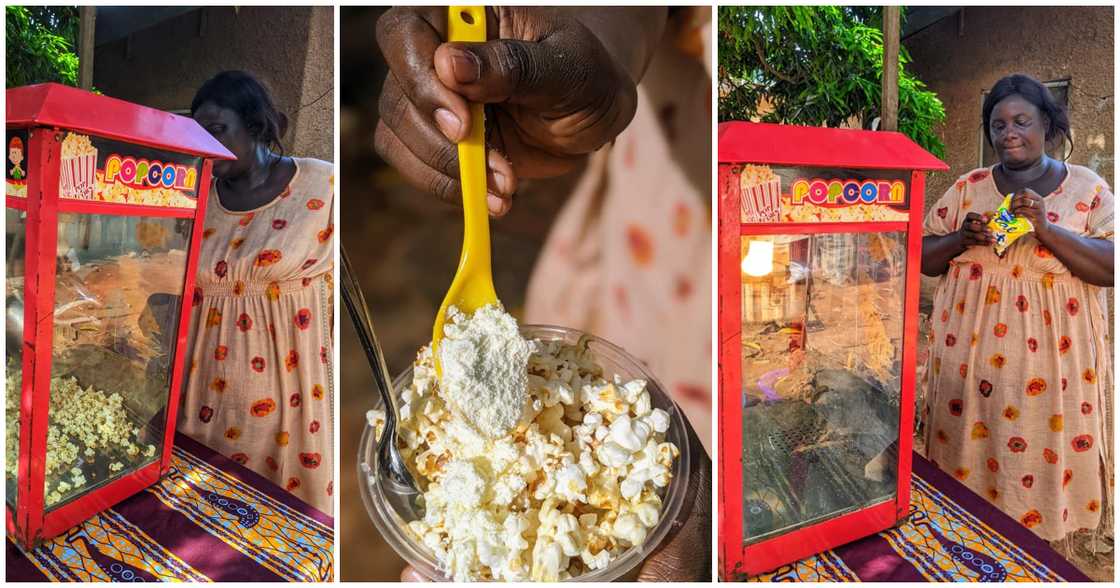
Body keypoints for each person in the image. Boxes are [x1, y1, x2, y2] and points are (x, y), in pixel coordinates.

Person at [373, 6, 711, 581]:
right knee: (636, 400)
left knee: (694, 479)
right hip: (655, 224)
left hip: (690, 256)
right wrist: (604, 49)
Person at [921, 73, 1113, 544]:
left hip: (1053, 371)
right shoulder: (968, 187)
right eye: (998, 124)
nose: (1009, 133)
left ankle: (1035, 550)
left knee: (1038, 458)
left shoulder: (1086, 189)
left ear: (1046, 124)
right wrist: (960, 238)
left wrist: (1046, 229)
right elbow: (924, 257)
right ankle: (966, 539)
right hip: (967, 362)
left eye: (1021, 121)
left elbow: (1110, 266)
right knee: (968, 447)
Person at [180, 71, 335, 515]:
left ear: (254, 124)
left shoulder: (323, 188)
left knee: (286, 518)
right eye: (198, 134)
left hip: (293, 395)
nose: (206, 146)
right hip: (207, 399)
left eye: (217, 130)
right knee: (210, 515)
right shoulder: (197, 200)